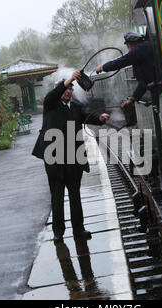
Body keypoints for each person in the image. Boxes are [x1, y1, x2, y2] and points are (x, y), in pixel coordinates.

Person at [32, 71, 110, 243]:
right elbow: (52, 94)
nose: (68, 92)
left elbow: (88, 116)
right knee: (57, 196)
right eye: (66, 89)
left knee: (75, 195)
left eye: (70, 89)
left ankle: (79, 229)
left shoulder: (75, 107)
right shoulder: (50, 104)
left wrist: (100, 118)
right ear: (60, 90)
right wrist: (68, 80)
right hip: (54, 158)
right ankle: (58, 232)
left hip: (74, 158)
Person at [96, 32, 154, 110]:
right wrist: (132, 99)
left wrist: (103, 67)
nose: (128, 49)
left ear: (131, 44)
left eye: (128, 46)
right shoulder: (142, 52)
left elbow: (121, 62)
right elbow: (143, 82)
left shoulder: (141, 48)